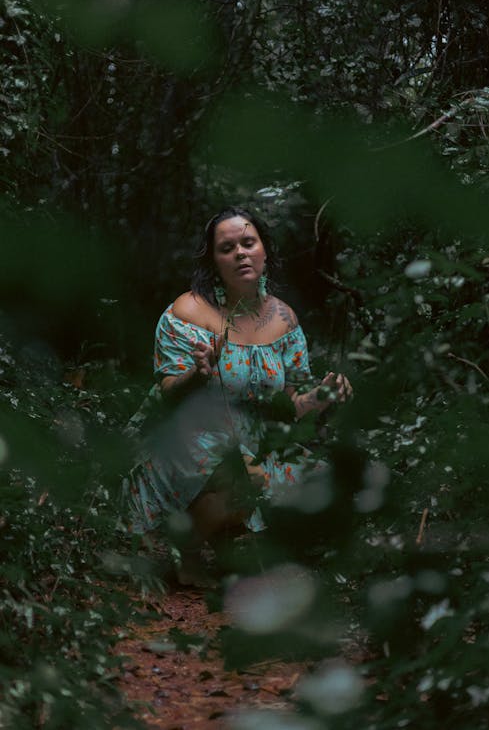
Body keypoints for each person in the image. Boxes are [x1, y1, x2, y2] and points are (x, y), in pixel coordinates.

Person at [123, 207, 352, 583]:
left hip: (256, 443)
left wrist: (319, 398)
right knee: (232, 465)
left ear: (264, 251)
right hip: (187, 436)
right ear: (213, 261)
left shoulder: (284, 319)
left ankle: (237, 546)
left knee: (323, 484)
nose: (241, 253)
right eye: (227, 248)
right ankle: (194, 542)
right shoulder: (188, 311)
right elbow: (167, 393)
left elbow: (287, 409)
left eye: (249, 243)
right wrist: (197, 376)